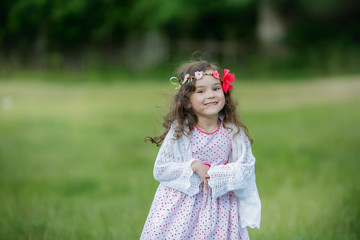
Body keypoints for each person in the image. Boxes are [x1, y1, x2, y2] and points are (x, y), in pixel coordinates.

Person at [141, 60, 261, 239]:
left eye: (215, 88)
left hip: (221, 207)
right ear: (187, 101)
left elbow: (245, 169)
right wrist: (194, 166)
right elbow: (161, 169)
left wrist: (220, 174)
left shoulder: (232, 132)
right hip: (183, 207)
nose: (210, 95)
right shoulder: (181, 131)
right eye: (201, 91)